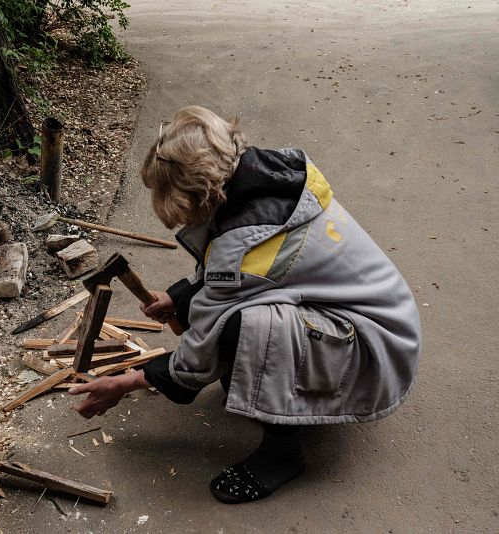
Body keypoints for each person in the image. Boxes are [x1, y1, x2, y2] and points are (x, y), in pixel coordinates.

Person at [69, 105, 422, 504]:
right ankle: (273, 381)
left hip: (374, 352)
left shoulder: (242, 252)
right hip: (377, 320)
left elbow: (199, 350)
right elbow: (238, 271)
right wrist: (181, 297)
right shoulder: (267, 176)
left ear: (199, 195)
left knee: (244, 328)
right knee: (220, 311)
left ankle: (281, 455)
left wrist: (130, 381)